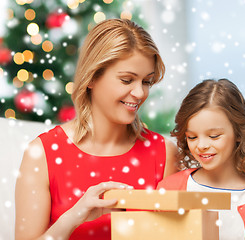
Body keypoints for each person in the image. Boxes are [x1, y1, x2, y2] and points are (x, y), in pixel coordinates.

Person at [15, 19, 178, 240]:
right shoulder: (42, 154)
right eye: (127, 80)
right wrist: (73, 218)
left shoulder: (163, 153)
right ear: (92, 77)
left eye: (147, 82)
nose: (139, 93)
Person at [157, 79, 245, 239]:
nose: (201, 145)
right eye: (192, 137)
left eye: (214, 136)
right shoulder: (169, 189)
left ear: (238, 133)